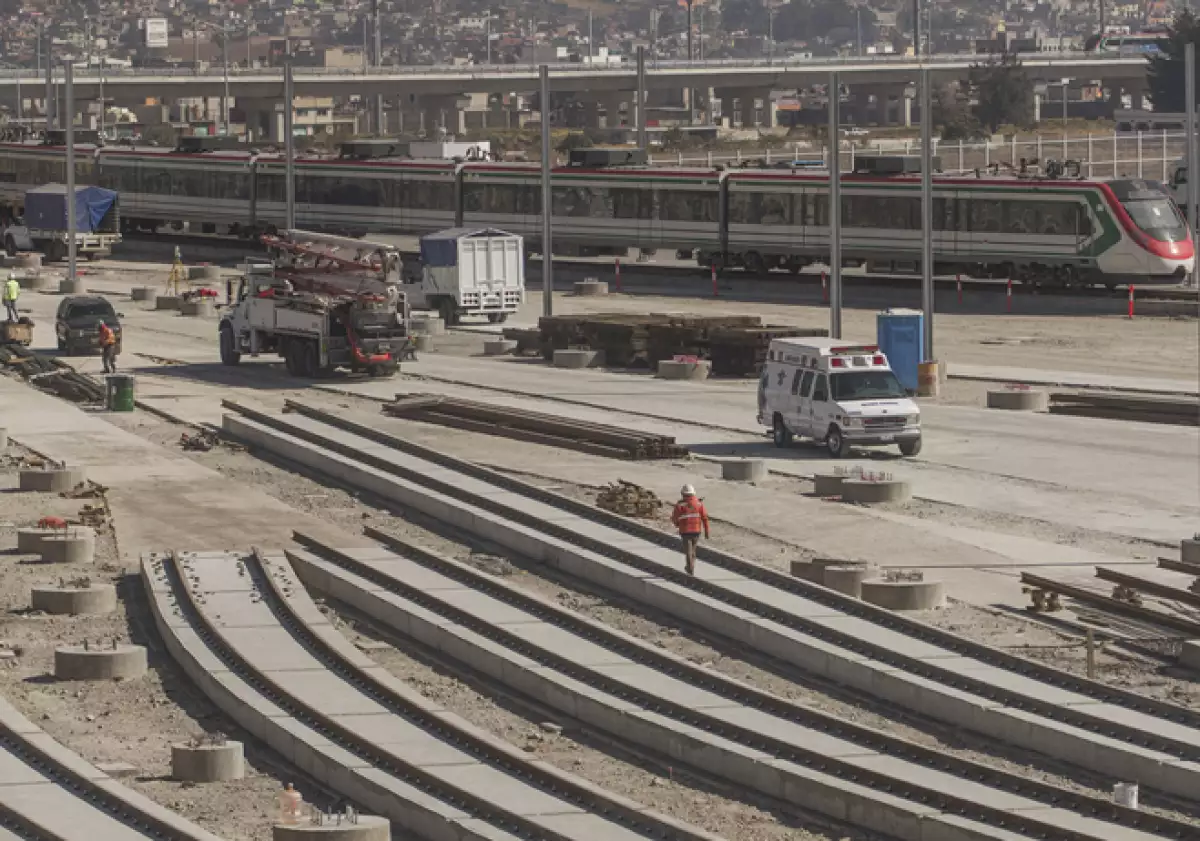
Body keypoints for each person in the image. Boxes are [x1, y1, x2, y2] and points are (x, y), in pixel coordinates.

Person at [671, 484, 710, 576]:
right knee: (693, 550)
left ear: (683, 494)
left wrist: (677, 524)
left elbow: (675, 518)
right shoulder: (699, 504)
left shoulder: (680, 505)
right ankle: (691, 566)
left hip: (685, 531)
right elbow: (705, 518)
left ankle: (690, 568)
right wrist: (707, 532)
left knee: (688, 550)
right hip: (696, 531)